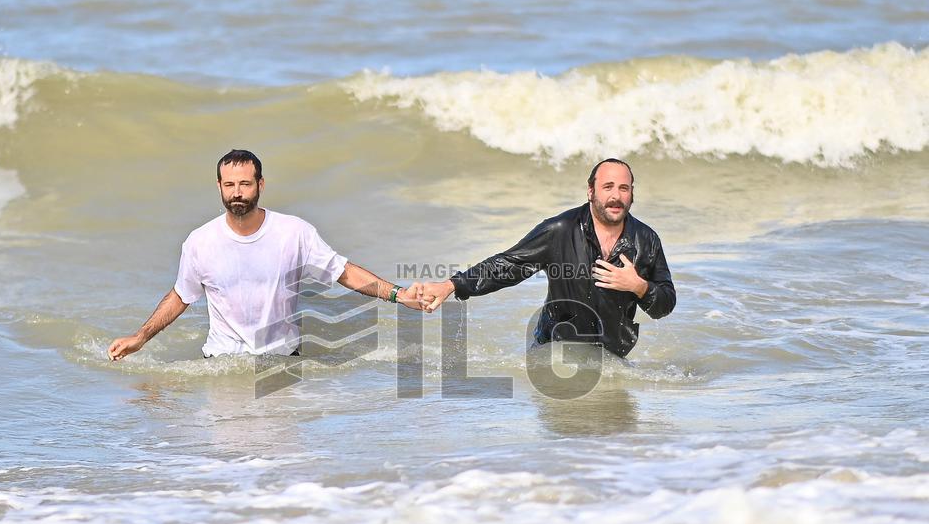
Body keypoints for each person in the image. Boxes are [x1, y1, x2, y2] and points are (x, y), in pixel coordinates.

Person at [107, 149, 421, 360]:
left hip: (282, 361)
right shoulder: (200, 241)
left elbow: (343, 272)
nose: (237, 192)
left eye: (245, 183)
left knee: (279, 454)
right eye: (229, 184)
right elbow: (181, 295)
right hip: (222, 363)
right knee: (225, 455)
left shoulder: (294, 233)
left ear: (261, 184)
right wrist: (141, 336)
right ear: (219, 186)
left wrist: (399, 294)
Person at [412, 159, 675, 357]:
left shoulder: (646, 240)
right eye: (607, 187)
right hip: (555, 355)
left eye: (624, 188)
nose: (616, 196)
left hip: (612, 359)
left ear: (632, 193)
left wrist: (639, 286)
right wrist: (452, 285)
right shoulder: (559, 230)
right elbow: (508, 265)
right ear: (591, 191)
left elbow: (665, 305)